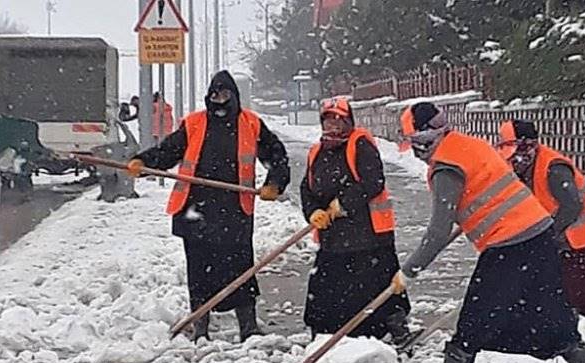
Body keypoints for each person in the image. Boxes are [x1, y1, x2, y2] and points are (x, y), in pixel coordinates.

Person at [390, 102, 585, 363]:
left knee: (475, 317)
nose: (415, 151)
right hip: (540, 235)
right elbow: (491, 189)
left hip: (510, 245)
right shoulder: (471, 145)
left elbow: (438, 231)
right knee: (551, 311)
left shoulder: (446, 168)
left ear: (423, 139)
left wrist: (409, 271)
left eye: (414, 144)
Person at [127, 71, 290, 342]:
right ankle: (200, 327)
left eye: (225, 94)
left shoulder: (250, 123)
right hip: (195, 209)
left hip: (235, 209)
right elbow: (168, 152)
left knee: (240, 268)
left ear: (234, 96)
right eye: (215, 95)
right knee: (199, 271)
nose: (220, 100)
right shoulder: (195, 123)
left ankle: (247, 326)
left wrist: (275, 182)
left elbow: (276, 153)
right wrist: (143, 163)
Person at [497, 120, 585, 353]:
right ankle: (567, 340)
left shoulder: (553, 168)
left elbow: (572, 205)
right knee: (563, 290)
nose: (514, 161)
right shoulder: (526, 168)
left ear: (528, 147)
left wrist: (548, 234)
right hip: (568, 240)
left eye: (517, 154)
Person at [300, 97, 411, 344]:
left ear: (349, 121)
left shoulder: (359, 143)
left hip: (369, 234)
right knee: (325, 288)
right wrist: (313, 211)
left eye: (339, 120)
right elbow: (307, 188)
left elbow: (373, 181)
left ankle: (397, 329)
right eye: (328, 120)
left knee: (378, 285)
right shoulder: (317, 151)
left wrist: (344, 203)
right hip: (333, 238)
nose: (334, 126)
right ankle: (323, 335)